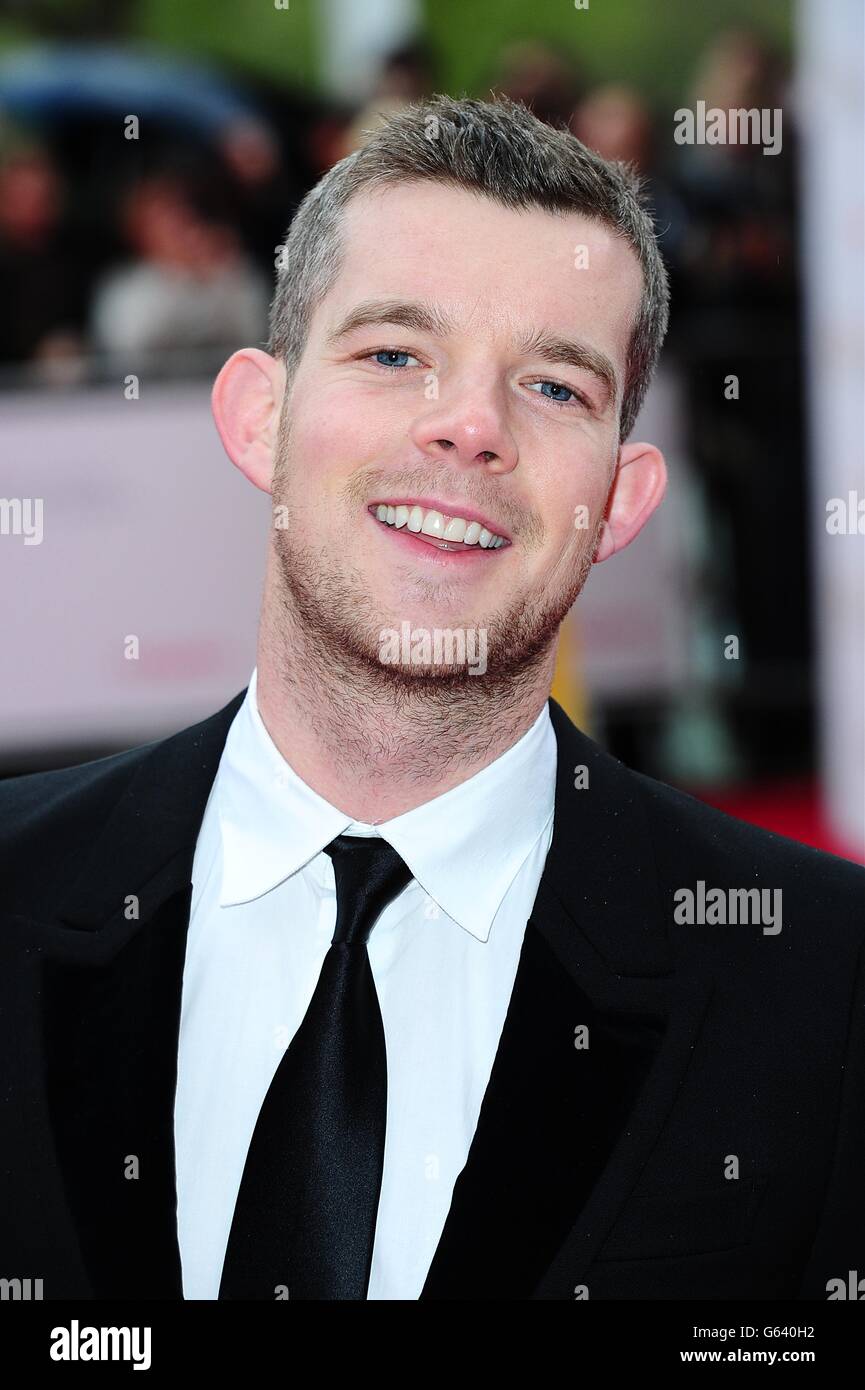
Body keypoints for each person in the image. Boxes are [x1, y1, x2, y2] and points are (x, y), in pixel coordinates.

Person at [1, 95, 862, 1302]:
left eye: (555, 386)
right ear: (260, 416)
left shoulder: (825, 984)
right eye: (395, 353)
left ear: (619, 502)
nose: (469, 426)